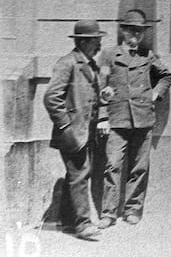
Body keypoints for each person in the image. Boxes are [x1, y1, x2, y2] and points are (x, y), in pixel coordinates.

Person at [97, 9, 171, 228]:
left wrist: (155, 94)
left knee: (139, 167)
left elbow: (166, 76)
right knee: (112, 165)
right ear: (123, 31)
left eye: (139, 32)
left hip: (142, 118)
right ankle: (108, 213)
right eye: (132, 31)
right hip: (117, 118)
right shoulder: (109, 55)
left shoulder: (148, 55)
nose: (136, 36)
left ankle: (133, 209)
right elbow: (101, 87)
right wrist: (102, 117)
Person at [44, 20, 107, 240]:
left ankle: (68, 221)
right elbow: (52, 97)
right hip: (73, 132)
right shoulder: (67, 63)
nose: (99, 45)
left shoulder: (90, 64)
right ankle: (83, 224)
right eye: (96, 41)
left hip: (85, 131)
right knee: (79, 174)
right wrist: (66, 126)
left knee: (78, 174)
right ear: (84, 42)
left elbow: (90, 96)